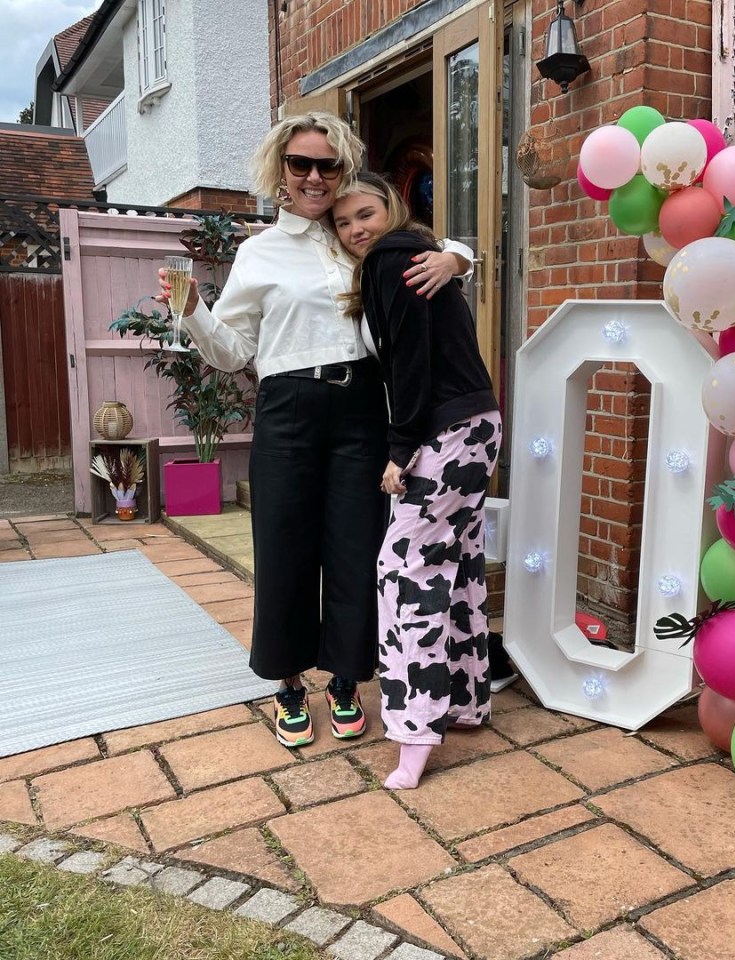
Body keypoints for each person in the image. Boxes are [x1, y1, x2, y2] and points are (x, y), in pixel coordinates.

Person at [157, 113, 473, 748]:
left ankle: (347, 680)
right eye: (301, 164)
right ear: (280, 171)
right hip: (289, 408)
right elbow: (230, 350)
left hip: (363, 406)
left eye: (327, 165)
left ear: (343, 171)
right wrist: (191, 311)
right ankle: (288, 683)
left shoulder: (355, 234)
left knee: (358, 547)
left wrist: (456, 258)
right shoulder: (258, 252)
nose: (314, 176)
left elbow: (429, 249)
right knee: (285, 547)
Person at [333, 173, 501, 789]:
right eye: (345, 221)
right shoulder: (412, 255)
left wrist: (398, 449)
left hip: (445, 431)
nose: (357, 228)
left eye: (366, 212)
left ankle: (413, 730)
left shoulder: (390, 260)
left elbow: (409, 361)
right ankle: (464, 700)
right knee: (457, 562)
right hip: (476, 425)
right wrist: (457, 256)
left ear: (391, 209)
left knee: (405, 571)